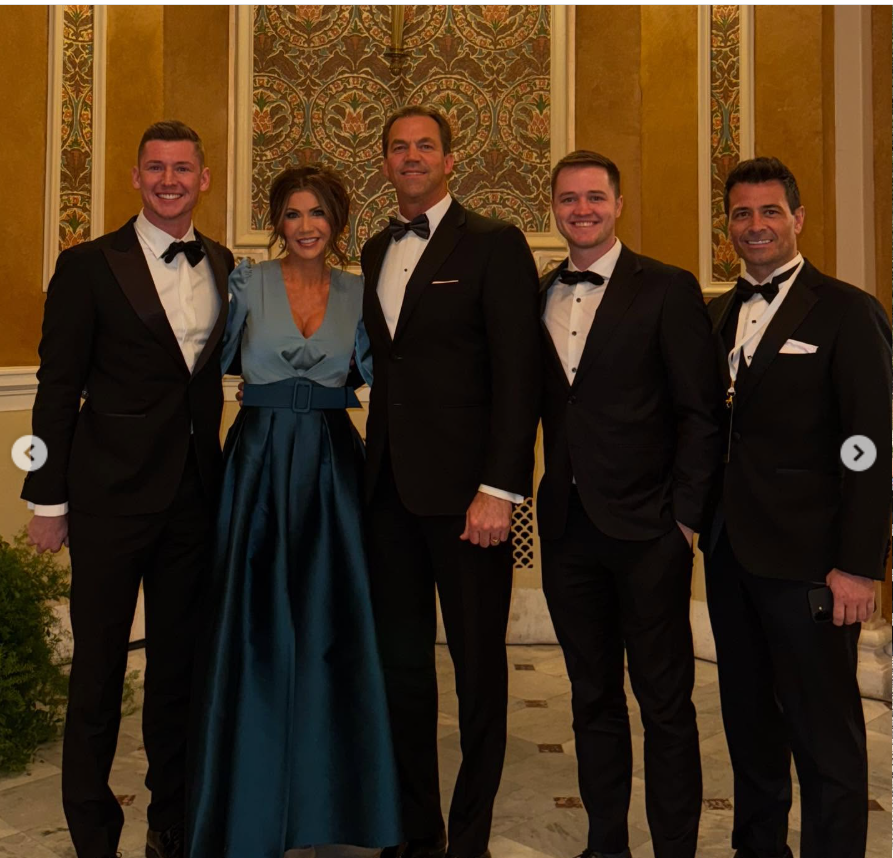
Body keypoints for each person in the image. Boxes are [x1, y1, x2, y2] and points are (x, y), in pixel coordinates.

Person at [21, 120, 233, 858]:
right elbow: (56, 387)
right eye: (155, 168)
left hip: (194, 499)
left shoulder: (226, 264)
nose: (169, 179)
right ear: (136, 178)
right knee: (99, 672)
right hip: (106, 497)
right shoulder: (86, 265)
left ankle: (170, 826)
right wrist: (45, 496)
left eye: (183, 168)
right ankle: (92, 833)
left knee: (179, 671)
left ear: (204, 178)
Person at [186, 164, 401, 857]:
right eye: (291, 214)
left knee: (326, 630)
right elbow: (197, 365)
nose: (305, 226)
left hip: (333, 469)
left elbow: (386, 378)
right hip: (255, 467)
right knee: (252, 632)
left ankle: (331, 807)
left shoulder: (359, 292)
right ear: (276, 222)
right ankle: (246, 801)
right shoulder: (243, 283)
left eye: (317, 214)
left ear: (337, 221)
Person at [360, 105, 541, 858]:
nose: (411, 157)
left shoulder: (495, 244)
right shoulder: (371, 250)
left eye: (424, 146)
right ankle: (415, 831)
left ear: (449, 160)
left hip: (471, 503)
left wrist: (498, 490)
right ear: (385, 162)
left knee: (477, 677)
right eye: (398, 147)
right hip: (389, 497)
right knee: (402, 672)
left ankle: (468, 837)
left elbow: (518, 376)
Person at [701, 157, 891, 858]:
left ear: (797, 219)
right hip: (729, 555)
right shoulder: (714, 313)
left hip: (812, 562)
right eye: (741, 215)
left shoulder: (845, 311)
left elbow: (867, 448)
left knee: (824, 733)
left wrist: (857, 564)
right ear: (727, 227)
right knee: (748, 723)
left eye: (769, 212)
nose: (755, 227)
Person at [537, 150, 720, 858]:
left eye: (593, 197)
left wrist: (683, 519)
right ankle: (604, 843)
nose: (580, 209)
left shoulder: (667, 289)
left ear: (617, 204)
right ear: (552, 207)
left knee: (666, 704)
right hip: (567, 530)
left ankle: (673, 847)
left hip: (650, 531)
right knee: (590, 700)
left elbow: (698, 413)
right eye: (567, 198)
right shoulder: (537, 291)